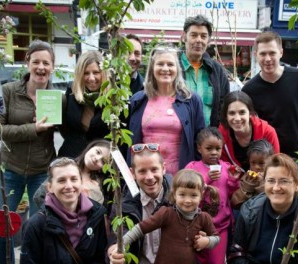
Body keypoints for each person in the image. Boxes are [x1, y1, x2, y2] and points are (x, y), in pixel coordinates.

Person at [107, 146, 227, 264]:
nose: (149, 177)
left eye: (154, 169)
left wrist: (204, 239)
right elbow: (116, 237)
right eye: (142, 171)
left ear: (163, 168)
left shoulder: (180, 195)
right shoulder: (123, 202)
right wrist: (115, 250)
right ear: (133, 173)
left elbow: (206, 218)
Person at [0, 40, 56, 264]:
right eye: (36, 62)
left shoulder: (55, 97)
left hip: (42, 171)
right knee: (3, 224)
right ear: (28, 63)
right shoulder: (8, 91)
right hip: (11, 169)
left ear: (53, 67)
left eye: (46, 63)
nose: (41, 67)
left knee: (39, 228)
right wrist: (33, 128)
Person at [122, 169, 220, 264]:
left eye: (193, 195)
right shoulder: (167, 214)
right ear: (174, 194)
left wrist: (207, 241)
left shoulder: (203, 218)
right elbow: (141, 228)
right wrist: (122, 242)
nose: (187, 200)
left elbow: (216, 237)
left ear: (201, 194)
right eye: (182, 195)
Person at [19, 157, 109, 264]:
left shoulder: (96, 215)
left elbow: (99, 258)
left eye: (74, 179)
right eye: (61, 180)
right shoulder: (36, 225)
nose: (69, 186)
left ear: (81, 183)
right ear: (50, 187)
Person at [241, 31, 298, 205]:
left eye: (272, 53)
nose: (268, 58)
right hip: (271, 164)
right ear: (256, 55)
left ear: (281, 53)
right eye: (263, 54)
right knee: (275, 209)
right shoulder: (249, 90)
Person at [127, 47, 205, 175]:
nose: (165, 69)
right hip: (147, 176)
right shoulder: (138, 100)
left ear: (177, 69)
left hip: (181, 176)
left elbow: (199, 140)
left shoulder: (191, 100)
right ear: (152, 68)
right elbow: (130, 141)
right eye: (160, 64)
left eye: (170, 64)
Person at [185, 127, 240, 264]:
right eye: (209, 148)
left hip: (220, 226)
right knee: (199, 261)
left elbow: (231, 194)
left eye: (218, 148)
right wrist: (206, 179)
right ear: (199, 148)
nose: (214, 153)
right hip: (196, 226)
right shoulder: (193, 167)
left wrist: (234, 179)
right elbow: (187, 188)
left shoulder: (226, 167)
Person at [180, 14, 230, 127]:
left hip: (207, 139)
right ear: (184, 37)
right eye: (194, 35)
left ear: (208, 40)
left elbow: (224, 106)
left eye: (203, 36)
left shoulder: (217, 71)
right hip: (178, 138)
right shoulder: (172, 67)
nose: (199, 40)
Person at [59, 50, 110, 158]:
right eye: (86, 73)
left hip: (99, 162)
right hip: (71, 158)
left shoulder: (113, 99)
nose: (91, 78)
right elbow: (64, 128)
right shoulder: (71, 94)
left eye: (96, 72)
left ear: (103, 73)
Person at [34, 139, 111, 208]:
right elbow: (39, 196)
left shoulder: (100, 185)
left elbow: (99, 212)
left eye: (103, 161)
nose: (96, 158)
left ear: (103, 168)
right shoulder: (65, 166)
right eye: (98, 152)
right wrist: (54, 215)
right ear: (90, 147)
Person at [218, 90, 280, 171]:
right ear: (226, 116)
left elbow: (275, 165)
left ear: (250, 113)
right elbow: (224, 166)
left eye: (242, 112)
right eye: (232, 113)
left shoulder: (267, 132)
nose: (237, 118)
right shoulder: (222, 133)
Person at [230, 139, 275, 209]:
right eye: (253, 163)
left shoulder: (274, 179)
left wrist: (262, 184)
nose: (256, 167)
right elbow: (235, 203)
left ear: (270, 163)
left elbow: (272, 201)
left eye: (261, 163)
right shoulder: (246, 178)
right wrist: (248, 186)